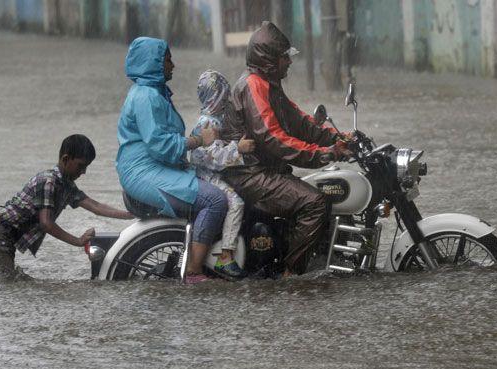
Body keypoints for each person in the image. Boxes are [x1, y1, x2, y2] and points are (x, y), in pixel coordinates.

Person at [222, 21, 353, 277]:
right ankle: (292, 275)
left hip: (267, 170)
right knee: (315, 203)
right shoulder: (253, 86)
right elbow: (273, 137)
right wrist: (324, 154)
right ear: (269, 59)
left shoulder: (270, 85)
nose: (289, 62)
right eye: (285, 57)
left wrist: (339, 136)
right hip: (251, 174)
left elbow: (300, 123)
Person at [0, 134, 135, 287]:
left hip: (3, 238)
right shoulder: (49, 182)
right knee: (0, 289)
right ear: (65, 159)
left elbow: (96, 206)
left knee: (11, 286)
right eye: (80, 165)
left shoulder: (67, 185)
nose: (84, 171)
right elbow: (46, 223)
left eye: (86, 166)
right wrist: (77, 241)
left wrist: (132, 215)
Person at [115, 37, 228, 284]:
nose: (173, 65)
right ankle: (194, 271)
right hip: (145, 173)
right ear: (153, 62)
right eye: (168, 60)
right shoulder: (146, 97)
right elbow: (160, 145)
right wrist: (199, 141)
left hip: (157, 167)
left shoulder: (154, 93)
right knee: (215, 200)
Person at [190, 70, 256, 279]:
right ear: (215, 96)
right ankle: (226, 256)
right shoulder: (210, 123)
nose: (227, 99)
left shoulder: (213, 118)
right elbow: (214, 158)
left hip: (207, 174)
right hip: (207, 176)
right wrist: (240, 148)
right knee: (236, 202)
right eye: (223, 94)